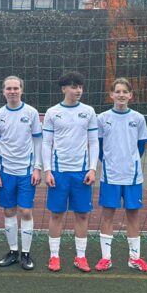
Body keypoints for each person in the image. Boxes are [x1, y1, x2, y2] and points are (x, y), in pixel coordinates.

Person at [42, 71, 98, 272]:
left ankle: (80, 257)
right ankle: (54, 256)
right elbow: (46, 143)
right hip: (59, 173)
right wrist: (47, 171)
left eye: (80, 87)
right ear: (64, 89)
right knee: (56, 214)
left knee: (82, 215)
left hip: (81, 173)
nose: (78, 91)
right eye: (74, 87)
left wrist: (92, 169)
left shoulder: (89, 111)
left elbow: (93, 142)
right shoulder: (52, 112)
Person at [96, 78, 147, 272]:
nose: (121, 95)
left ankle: (134, 258)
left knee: (133, 216)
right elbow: (99, 147)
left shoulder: (138, 118)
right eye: (117, 91)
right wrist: (111, 162)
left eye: (124, 92)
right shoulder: (102, 118)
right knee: (107, 215)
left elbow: (141, 146)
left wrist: (129, 161)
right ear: (111, 95)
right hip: (110, 176)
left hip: (132, 176)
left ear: (130, 95)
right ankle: (106, 258)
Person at [0, 76, 42, 271]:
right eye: (9, 88)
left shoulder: (31, 112)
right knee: (9, 211)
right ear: (3, 91)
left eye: (16, 88)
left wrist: (37, 167)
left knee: (26, 211)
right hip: (6, 172)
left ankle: (26, 253)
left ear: (21, 90)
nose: (12, 91)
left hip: (26, 172)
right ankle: (13, 251)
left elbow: (38, 141)